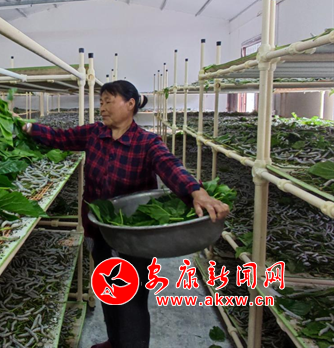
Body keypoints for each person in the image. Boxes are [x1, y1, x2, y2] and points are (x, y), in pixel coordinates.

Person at [22, 80, 229, 348]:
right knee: (109, 289)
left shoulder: (147, 142)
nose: (102, 107)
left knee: (132, 297)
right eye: (101, 102)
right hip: (99, 229)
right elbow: (61, 138)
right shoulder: (94, 133)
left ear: (130, 104)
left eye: (109, 101)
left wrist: (196, 191)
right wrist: (28, 127)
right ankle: (114, 341)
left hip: (134, 237)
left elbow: (169, 165)